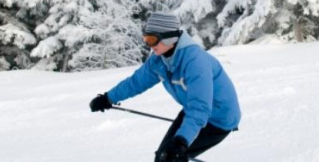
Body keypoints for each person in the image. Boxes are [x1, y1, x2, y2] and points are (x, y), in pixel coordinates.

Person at [89, 12, 241, 162]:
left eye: (152, 39)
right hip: (194, 110)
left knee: (169, 157)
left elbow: (200, 108)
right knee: (163, 156)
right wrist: (108, 98)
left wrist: (182, 141)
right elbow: (136, 82)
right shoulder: (159, 60)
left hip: (219, 119)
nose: (149, 45)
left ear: (170, 38)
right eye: (146, 39)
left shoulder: (196, 62)